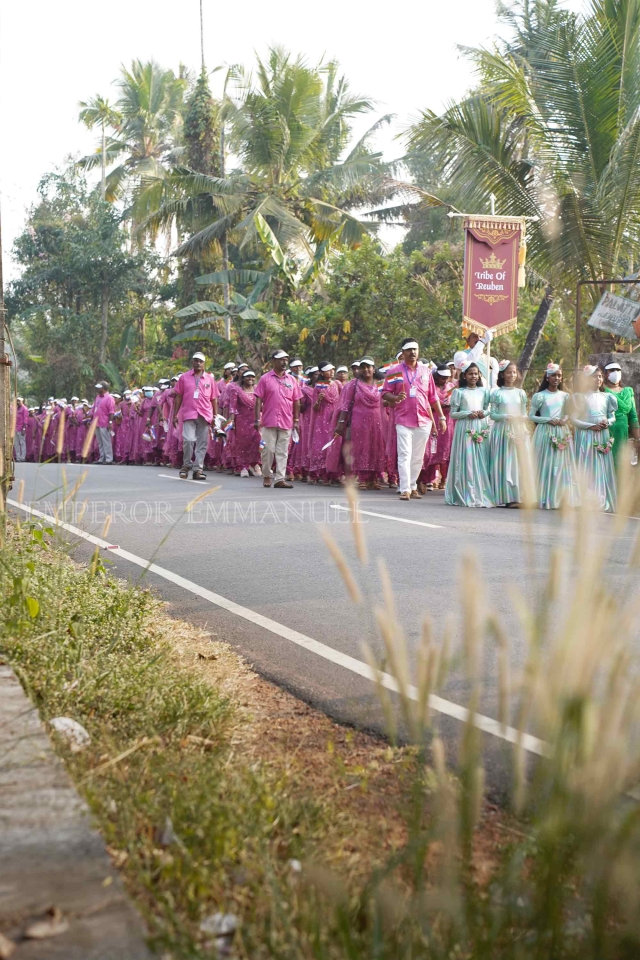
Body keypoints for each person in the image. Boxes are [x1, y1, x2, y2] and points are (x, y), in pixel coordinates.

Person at [382, 338, 447, 501]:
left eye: (415, 349)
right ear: (403, 352)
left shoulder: (426, 371)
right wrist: (395, 397)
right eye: (409, 349)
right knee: (404, 454)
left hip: (424, 420)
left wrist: (441, 417)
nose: (413, 352)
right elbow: (385, 393)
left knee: (418, 456)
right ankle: (404, 489)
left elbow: (433, 396)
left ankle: (412, 486)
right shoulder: (394, 371)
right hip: (403, 419)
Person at [529, 363, 579, 511]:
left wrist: (565, 419)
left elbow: (568, 413)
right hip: (545, 432)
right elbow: (531, 416)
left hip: (561, 431)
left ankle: (561, 497)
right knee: (545, 463)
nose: (556, 378)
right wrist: (547, 420)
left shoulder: (565, 396)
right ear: (547, 377)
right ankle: (542, 496)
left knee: (562, 464)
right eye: (553, 375)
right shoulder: (540, 396)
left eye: (559, 375)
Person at [444, 362, 494, 508]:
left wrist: (482, 413)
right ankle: (465, 493)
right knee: (467, 460)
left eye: (476, 373)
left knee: (480, 460)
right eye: (470, 373)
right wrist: (467, 414)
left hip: (480, 426)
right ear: (464, 376)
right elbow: (453, 413)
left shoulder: (484, 391)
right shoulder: (458, 392)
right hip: (465, 428)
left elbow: (488, 409)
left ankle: (480, 493)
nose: (473, 376)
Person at [571, 365, 618, 513]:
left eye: (599, 376)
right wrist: (590, 426)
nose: (597, 379)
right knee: (587, 465)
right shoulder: (579, 397)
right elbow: (573, 419)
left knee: (601, 467)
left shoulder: (607, 397)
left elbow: (612, 416)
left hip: (602, 434)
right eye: (594, 376)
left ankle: (602, 499)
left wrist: (607, 422)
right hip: (586, 435)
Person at [333, 357, 386, 489]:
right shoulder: (353, 384)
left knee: (376, 448)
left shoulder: (380, 384)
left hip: (377, 421)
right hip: (359, 422)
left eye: (369, 367)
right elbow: (345, 405)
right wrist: (340, 423)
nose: (366, 369)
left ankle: (372, 479)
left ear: (374, 369)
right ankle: (362, 478)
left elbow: (386, 401)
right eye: (363, 367)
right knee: (361, 448)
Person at [254, 349, 302, 489]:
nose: (284, 362)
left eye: (286, 359)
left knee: (282, 451)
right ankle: (267, 475)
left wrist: (296, 421)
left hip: (286, 421)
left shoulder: (292, 380)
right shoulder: (265, 378)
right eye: (281, 359)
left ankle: (280, 478)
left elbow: (297, 401)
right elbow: (258, 400)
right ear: (273, 361)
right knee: (267, 449)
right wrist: (257, 419)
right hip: (269, 421)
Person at [489, 361, 534, 507]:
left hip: (519, 430)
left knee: (519, 462)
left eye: (514, 372)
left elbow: (524, 413)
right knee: (505, 462)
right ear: (502, 374)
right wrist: (506, 417)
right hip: (502, 431)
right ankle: (506, 496)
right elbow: (493, 415)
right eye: (509, 372)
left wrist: (521, 418)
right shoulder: (497, 393)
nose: (512, 375)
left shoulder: (521, 393)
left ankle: (520, 496)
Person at [173, 351, 219, 481]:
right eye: (196, 360)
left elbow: (214, 398)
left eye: (200, 361)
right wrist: (175, 414)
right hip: (189, 413)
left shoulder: (210, 379)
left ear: (204, 364)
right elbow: (178, 396)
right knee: (188, 440)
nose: (198, 363)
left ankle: (198, 469)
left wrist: (215, 416)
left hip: (205, 414)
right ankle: (186, 464)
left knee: (202, 443)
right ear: (192, 362)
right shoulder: (184, 377)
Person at [308, 362, 342, 485]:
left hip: (335, 417)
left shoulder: (337, 384)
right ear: (322, 373)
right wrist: (319, 400)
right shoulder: (318, 387)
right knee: (321, 446)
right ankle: (321, 474)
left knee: (335, 444)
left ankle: (334, 474)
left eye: (333, 369)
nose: (332, 372)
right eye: (328, 370)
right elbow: (315, 408)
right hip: (322, 419)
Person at [603, 360, 640, 469]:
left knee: (622, 466)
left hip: (623, 434)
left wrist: (638, 439)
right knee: (608, 465)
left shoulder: (628, 391)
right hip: (608, 432)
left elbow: (633, 417)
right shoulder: (602, 391)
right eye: (612, 370)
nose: (616, 372)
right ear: (605, 374)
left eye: (618, 370)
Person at [228, 370, 261, 477]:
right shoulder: (236, 390)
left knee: (257, 442)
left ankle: (255, 464)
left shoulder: (257, 389)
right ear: (242, 378)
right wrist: (232, 421)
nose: (250, 379)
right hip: (242, 422)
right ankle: (243, 466)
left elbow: (262, 404)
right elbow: (232, 407)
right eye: (248, 377)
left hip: (256, 421)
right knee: (243, 444)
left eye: (252, 376)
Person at [90, 381, 116, 464]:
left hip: (104, 422)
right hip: (96, 422)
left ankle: (109, 459)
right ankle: (102, 458)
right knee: (100, 441)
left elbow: (111, 411)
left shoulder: (109, 398)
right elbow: (94, 409)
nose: (97, 389)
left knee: (106, 441)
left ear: (104, 388)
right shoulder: (97, 397)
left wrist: (110, 422)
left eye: (99, 387)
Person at [13, 397, 29, 462]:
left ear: (22, 401)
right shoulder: (16, 409)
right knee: (16, 443)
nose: (17, 402)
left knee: (22, 443)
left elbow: (25, 419)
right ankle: (18, 457)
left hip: (21, 428)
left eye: (19, 401)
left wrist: (24, 429)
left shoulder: (24, 409)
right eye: (17, 401)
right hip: (15, 429)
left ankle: (23, 457)